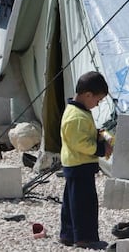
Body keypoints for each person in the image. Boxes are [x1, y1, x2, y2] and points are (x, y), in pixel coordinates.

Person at [59, 71, 113, 250]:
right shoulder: (76, 117)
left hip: (76, 165)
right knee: (85, 204)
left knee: (72, 202)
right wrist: (100, 148)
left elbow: (84, 133)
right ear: (88, 95)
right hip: (80, 164)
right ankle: (85, 238)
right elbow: (80, 143)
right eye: (97, 101)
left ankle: (68, 234)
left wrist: (99, 133)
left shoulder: (80, 112)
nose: (97, 105)